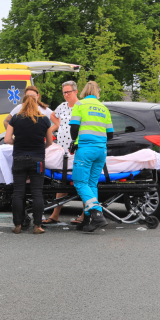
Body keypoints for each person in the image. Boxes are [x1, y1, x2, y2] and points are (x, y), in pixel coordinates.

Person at [5, 95, 54, 235]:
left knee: (18, 193)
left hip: (19, 158)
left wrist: (19, 143)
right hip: (38, 160)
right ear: (37, 104)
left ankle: (17, 225)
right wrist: (40, 146)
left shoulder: (15, 118)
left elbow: (7, 138)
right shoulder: (44, 120)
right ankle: (37, 226)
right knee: (37, 192)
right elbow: (50, 142)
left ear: (23, 104)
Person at [69, 80, 114, 233]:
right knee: (91, 184)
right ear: (97, 92)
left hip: (86, 150)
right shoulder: (103, 108)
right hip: (101, 151)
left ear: (83, 92)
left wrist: (75, 142)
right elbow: (111, 134)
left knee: (80, 182)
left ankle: (97, 214)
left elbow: (74, 128)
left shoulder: (80, 105)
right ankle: (88, 219)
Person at [43, 81, 79, 225]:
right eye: (64, 92)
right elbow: (53, 115)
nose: (66, 95)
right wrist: (57, 125)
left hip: (75, 149)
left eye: (68, 92)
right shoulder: (62, 106)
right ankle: (55, 215)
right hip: (62, 149)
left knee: (79, 182)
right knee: (61, 182)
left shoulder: (80, 107)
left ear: (76, 92)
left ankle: (84, 214)